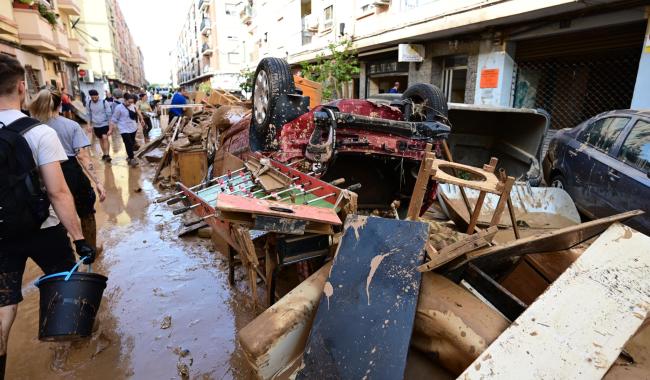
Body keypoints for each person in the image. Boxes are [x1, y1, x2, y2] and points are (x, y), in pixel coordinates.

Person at [0, 54, 95, 379]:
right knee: (64, 284)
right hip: (45, 228)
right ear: (22, 87)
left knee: (4, 303)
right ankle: (69, 357)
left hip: (1, 234)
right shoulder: (39, 133)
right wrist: (80, 239)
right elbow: (58, 193)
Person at [29, 88, 107, 252]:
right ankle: (90, 250)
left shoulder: (32, 127)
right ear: (60, 106)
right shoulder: (71, 125)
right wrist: (98, 182)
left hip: (43, 175)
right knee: (86, 211)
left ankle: (66, 254)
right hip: (71, 172)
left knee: (55, 216)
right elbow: (83, 156)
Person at [110, 93, 139, 167]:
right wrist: (110, 130)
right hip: (123, 128)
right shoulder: (118, 108)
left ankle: (129, 156)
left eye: (132, 102)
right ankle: (132, 159)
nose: (130, 104)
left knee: (131, 143)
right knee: (128, 142)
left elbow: (137, 113)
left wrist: (142, 120)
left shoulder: (133, 106)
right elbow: (113, 119)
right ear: (124, 100)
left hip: (133, 127)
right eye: (129, 102)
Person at [86, 89, 114, 162]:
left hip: (104, 124)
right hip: (96, 125)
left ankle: (107, 155)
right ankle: (104, 154)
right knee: (100, 139)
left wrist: (110, 128)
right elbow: (88, 115)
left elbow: (109, 116)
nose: (94, 99)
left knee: (105, 138)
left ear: (98, 95)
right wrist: (89, 125)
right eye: (92, 98)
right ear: (91, 97)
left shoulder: (105, 102)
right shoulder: (89, 103)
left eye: (95, 97)